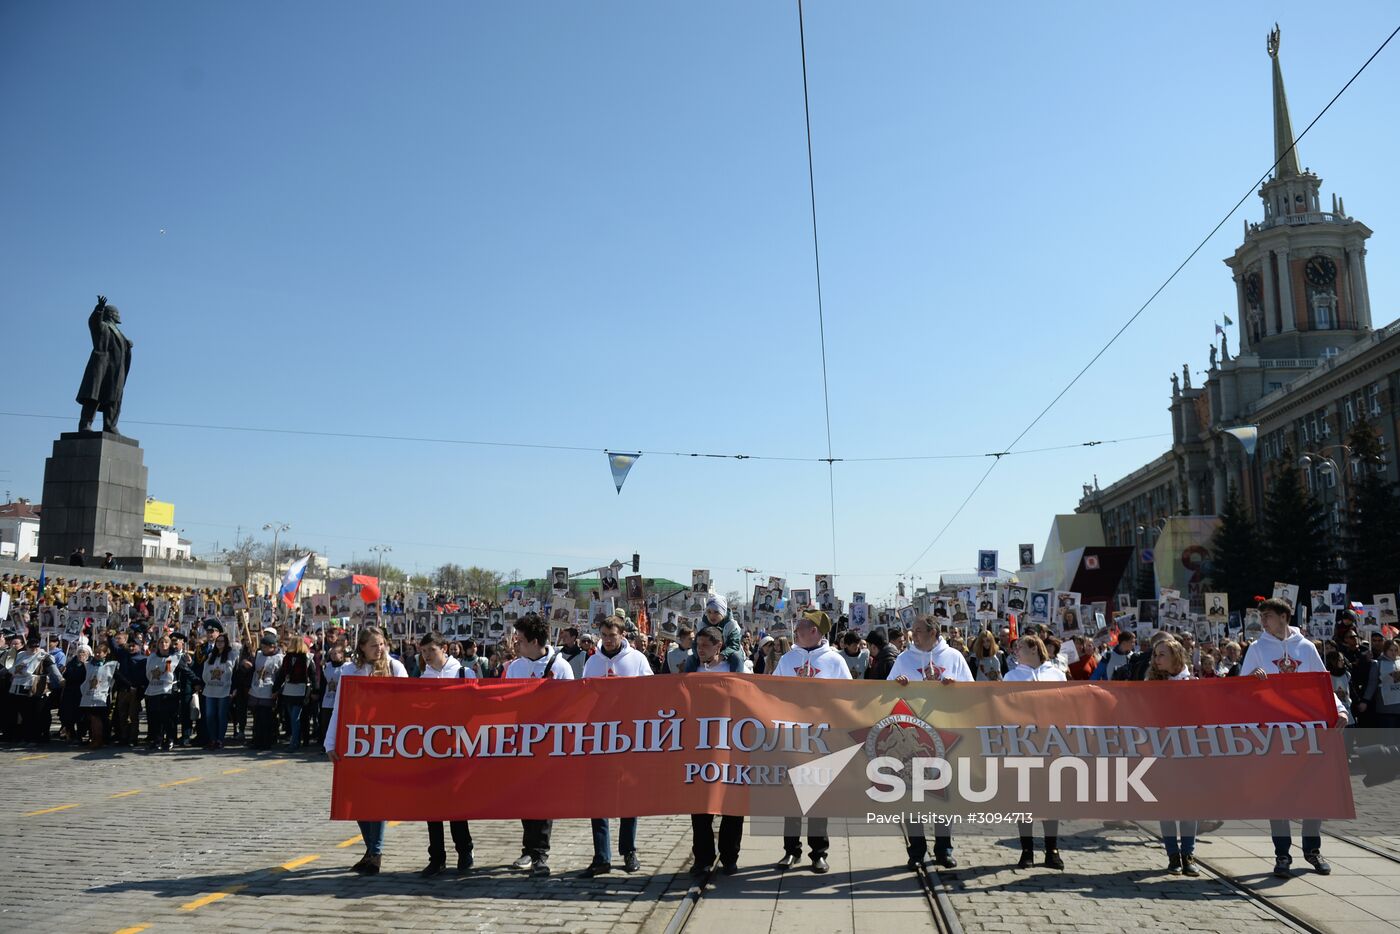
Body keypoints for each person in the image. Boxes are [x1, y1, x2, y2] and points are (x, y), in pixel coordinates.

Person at [1242, 597, 1347, 878]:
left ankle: (1312, 849)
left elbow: (1322, 684)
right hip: (1275, 733)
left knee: (1312, 793)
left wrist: (1339, 709)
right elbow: (1240, 688)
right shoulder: (1257, 648)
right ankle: (1282, 854)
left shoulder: (1306, 647)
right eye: (1262, 616)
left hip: (1307, 731)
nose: (1263, 621)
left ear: (1284, 617)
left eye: (1268, 616)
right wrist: (1251, 678)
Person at [889, 615, 973, 868]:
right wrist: (898, 686)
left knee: (941, 794)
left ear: (933, 632)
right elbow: (885, 692)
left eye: (918, 630)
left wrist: (955, 687)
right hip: (912, 734)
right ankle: (916, 850)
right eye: (912, 630)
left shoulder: (954, 658)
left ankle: (944, 848)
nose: (913, 635)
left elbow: (972, 691)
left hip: (945, 732)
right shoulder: (903, 659)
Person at [326, 626, 409, 874]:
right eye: (374, 644)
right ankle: (370, 848)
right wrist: (331, 742)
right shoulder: (349, 671)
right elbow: (339, 708)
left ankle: (376, 851)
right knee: (358, 798)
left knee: (379, 798)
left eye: (382, 643)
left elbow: (407, 703)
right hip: (357, 741)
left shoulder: (395, 668)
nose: (379, 648)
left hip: (386, 741)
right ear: (362, 647)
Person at [773, 610, 851, 873]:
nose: (796, 631)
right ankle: (790, 851)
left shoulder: (835, 662)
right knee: (791, 797)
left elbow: (847, 698)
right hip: (793, 736)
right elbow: (772, 692)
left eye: (801, 627)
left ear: (815, 631)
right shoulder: (787, 658)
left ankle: (818, 853)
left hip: (821, 738)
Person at [581, 615, 652, 876]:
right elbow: (584, 695)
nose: (608, 640)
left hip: (629, 736)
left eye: (612, 635)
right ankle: (601, 855)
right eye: (604, 635)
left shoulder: (637, 660)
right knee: (598, 797)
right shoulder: (593, 661)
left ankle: (628, 850)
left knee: (628, 797)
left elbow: (651, 693)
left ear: (622, 635)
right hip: (600, 737)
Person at [505, 613, 574, 876]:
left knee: (544, 798)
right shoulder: (515, 667)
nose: (516, 644)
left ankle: (540, 853)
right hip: (523, 741)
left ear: (534, 641)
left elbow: (570, 705)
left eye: (520, 640)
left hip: (549, 742)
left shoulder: (561, 667)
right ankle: (528, 848)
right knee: (525, 796)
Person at [685, 626, 744, 874]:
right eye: (697, 645)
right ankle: (703, 857)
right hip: (699, 744)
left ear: (718, 647)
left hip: (731, 743)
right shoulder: (692, 667)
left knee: (732, 803)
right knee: (700, 804)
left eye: (705, 646)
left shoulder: (733, 667)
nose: (700, 650)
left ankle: (730, 856)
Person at [417, 631, 476, 877]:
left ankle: (465, 851)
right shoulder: (424, 677)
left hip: (459, 746)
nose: (427, 655)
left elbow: (476, 706)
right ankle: (437, 856)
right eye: (423, 651)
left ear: (445, 648)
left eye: (431, 650)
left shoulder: (463, 673)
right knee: (433, 805)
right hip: (433, 747)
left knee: (456, 804)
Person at [1004, 635, 1066, 868]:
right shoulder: (1011, 677)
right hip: (1023, 743)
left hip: (1051, 743)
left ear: (1033, 648)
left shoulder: (1056, 674)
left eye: (1019, 647)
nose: (1015, 652)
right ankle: (1027, 850)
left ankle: (1052, 849)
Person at [1144, 636, 1200, 875]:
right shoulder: (1151, 683)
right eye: (1155, 655)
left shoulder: (1194, 682)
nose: (1156, 659)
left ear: (1176, 656)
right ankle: (1172, 855)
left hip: (1188, 751)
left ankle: (1188, 854)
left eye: (1161, 654)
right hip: (1162, 750)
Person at [143, 632, 182, 752]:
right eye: (161, 642)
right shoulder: (152, 657)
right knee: (155, 717)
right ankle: (157, 740)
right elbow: (148, 673)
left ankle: (170, 739)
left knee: (168, 718)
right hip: (154, 690)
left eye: (166, 642)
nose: (163, 644)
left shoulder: (175, 657)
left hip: (168, 691)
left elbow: (184, 670)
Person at [275, 636, 312, 752]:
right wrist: (275, 688)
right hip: (289, 690)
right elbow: (282, 674)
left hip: (300, 690)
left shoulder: (306, 658)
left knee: (295, 718)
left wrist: (315, 690)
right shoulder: (287, 658)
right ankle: (295, 739)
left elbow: (313, 675)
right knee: (291, 718)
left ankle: (294, 742)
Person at [80, 641, 120, 748]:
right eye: (96, 652)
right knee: (92, 718)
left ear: (105, 654)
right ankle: (95, 738)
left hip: (103, 696)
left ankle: (102, 738)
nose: (97, 655)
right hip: (89, 696)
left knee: (101, 719)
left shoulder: (110, 665)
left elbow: (118, 677)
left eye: (100, 653)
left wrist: (130, 686)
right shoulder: (88, 665)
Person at [201, 631, 237, 749]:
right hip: (210, 689)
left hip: (224, 690)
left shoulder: (232, 654)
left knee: (221, 715)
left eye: (222, 641)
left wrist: (233, 689)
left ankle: (220, 739)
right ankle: (212, 738)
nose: (220, 643)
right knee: (210, 715)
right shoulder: (212, 655)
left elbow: (234, 672)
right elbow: (206, 671)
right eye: (218, 641)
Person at [249, 633, 284, 750]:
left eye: (266, 647)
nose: (263, 649)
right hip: (256, 689)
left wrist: (277, 690)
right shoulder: (259, 655)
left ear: (273, 647)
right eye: (262, 646)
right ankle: (256, 740)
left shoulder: (279, 658)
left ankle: (267, 741)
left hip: (269, 689)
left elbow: (280, 676)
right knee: (257, 717)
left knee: (266, 718)